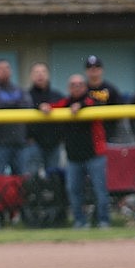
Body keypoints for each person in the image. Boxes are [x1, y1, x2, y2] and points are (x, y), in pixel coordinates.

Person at [48, 74, 110, 229]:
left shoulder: (93, 98)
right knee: (74, 190)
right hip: (73, 157)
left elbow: (93, 103)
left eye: (80, 84)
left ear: (85, 86)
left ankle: (103, 221)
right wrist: (43, 107)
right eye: (73, 85)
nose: (77, 87)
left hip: (95, 155)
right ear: (69, 88)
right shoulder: (65, 102)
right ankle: (80, 221)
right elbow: (51, 107)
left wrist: (81, 105)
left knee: (100, 190)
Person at [0, 59, 32, 175]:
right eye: (1, 69)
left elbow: (27, 104)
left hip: (19, 143)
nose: (4, 71)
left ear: (11, 71)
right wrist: (16, 102)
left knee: (21, 182)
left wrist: (7, 102)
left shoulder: (19, 89)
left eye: (7, 68)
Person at [26, 62, 65, 173]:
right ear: (31, 76)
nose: (40, 75)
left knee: (53, 177)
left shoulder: (57, 95)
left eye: (43, 72)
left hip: (54, 144)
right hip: (33, 144)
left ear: (48, 75)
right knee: (31, 179)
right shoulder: (25, 96)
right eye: (36, 72)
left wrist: (61, 138)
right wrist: (39, 107)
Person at [83, 55, 124, 142]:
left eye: (97, 67)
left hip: (109, 134)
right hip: (87, 135)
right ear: (86, 71)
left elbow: (121, 111)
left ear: (102, 70)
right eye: (90, 67)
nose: (93, 70)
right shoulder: (81, 90)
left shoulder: (111, 89)